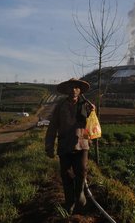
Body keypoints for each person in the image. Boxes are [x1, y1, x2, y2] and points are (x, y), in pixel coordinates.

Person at [45, 78, 95, 214]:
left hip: (82, 143)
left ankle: (79, 194)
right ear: (66, 90)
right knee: (66, 174)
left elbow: (92, 124)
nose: (73, 90)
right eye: (71, 88)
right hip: (65, 144)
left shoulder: (86, 105)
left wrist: (92, 112)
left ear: (80, 90)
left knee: (82, 170)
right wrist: (49, 145)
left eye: (76, 88)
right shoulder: (60, 106)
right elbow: (53, 126)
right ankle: (69, 202)